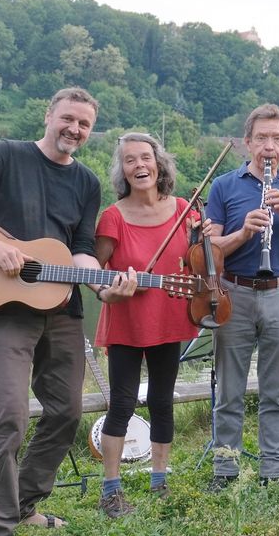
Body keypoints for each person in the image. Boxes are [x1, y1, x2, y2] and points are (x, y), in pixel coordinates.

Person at [0, 88, 137, 534]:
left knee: (66, 412)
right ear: (48, 114)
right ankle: (1, 521)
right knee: (9, 416)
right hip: (7, 308)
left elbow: (79, 249)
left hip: (63, 307)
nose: (74, 129)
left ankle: (24, 503)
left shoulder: (86, 182)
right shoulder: (6, 155)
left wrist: (103, 283)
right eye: (68, 119)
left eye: (84, 124)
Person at [205, 104, 279, 490]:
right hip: (234, 292)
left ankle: (272, 473)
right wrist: (243, 234)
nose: (269, 146)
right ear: (247, 143)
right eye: (262, 138)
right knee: (230, 392)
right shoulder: (224, 185)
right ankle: (225, 472)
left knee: (276, 392)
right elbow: (210, 249)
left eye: (277, 138)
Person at [93, 133, 202, 517]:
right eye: (129, 160)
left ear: (159, 164)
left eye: (145, 158)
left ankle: (160, 480)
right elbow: (97, 275)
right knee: (121, 402)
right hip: (127, 320)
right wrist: (110, 292)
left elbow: (200, 259)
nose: (139, 166)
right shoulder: (113, 216)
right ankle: (111, 490)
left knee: (161, 400)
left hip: (168, 318)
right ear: (122, 170)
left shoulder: (185, 210)